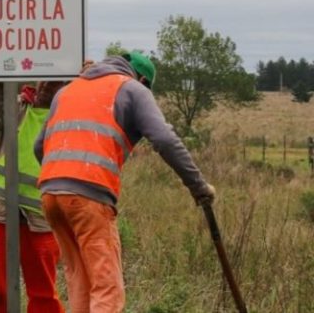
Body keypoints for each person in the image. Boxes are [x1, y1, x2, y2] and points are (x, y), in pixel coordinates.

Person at [34, 52, 216, 313]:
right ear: (142, 79)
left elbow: (39, 147)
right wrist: (198, 186)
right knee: (107, 288)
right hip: (89, 196)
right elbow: (164, 140)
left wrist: (61, 176)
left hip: (51, 194)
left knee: (81, 282)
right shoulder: (132, 88)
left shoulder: (68, 90)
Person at [0, 81, 67, 313]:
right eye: (41, 77)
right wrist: (0, 85)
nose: (45, 83)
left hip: (43, 215)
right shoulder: (18, 105)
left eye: (53, 77)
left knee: (43, 294)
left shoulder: (68, 109)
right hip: (0, 208)